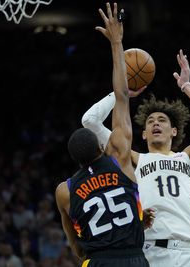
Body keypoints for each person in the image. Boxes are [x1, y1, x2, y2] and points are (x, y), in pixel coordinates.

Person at [82, 48, 190, 266]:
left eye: (162, 120)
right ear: (143, 133)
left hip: (189, 254)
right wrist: (122, 92)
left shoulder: (189, 158)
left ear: (174, 131)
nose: (156, 123)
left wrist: (186, 87)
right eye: (150, 121)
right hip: (151, 251)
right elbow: (90, 121)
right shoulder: (132, 159)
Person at [55, 3, 151, 267]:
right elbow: (121, 95)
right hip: (133, 258)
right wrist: (117, 42)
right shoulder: (119, 156)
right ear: (101, 146)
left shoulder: (65, 190)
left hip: (97, 260)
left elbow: (74, 242)